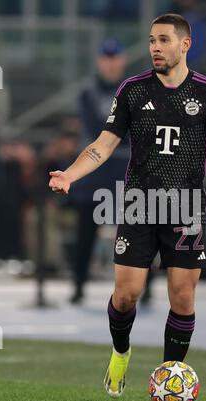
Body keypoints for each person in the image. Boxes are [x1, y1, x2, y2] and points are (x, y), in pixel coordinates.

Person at [49, 13, 206, 398]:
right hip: (139, 202)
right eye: (152, 40)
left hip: (186, 206)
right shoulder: (133, 90)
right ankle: (121, 353)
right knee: (126, 295)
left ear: (185, 44)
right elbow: (102, 144)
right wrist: (70, 174)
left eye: (164, 40)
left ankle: (169, 377)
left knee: (183, 297)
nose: (155, 47)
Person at [69, 38, 128, 303]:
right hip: (96, 175)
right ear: (99, 61)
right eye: (106, 58)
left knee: (136, 234)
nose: (111, 63)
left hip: (126, 172)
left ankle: (143, 288)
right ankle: (79, 285)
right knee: (85, 234)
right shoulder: (88, 92)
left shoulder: (135, 90)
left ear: (122, 60)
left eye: (115, 58)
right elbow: (96, 129)